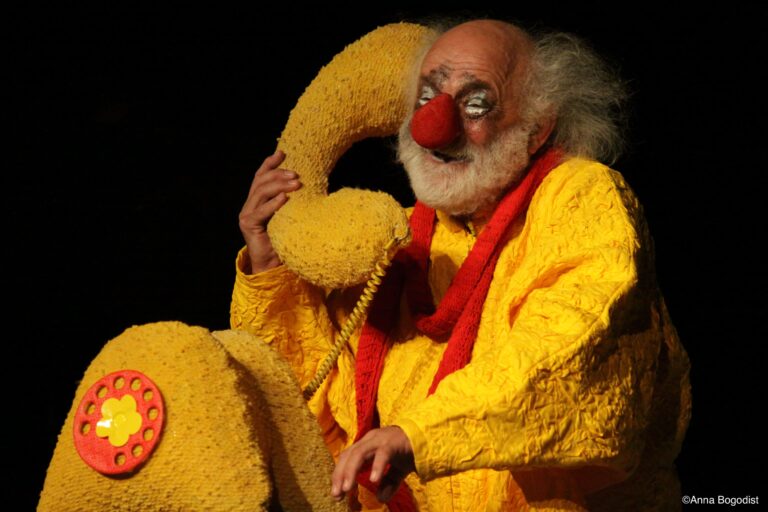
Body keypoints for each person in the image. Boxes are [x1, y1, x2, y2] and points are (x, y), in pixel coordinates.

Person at [232, 19, 691, 511]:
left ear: (537, 128)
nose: (435, 125)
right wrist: (271, 263)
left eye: (476, 104)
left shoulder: (581, 197)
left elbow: (566, 350)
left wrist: (417, 436)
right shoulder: (391, 240)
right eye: (427, 97)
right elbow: (305, 406)